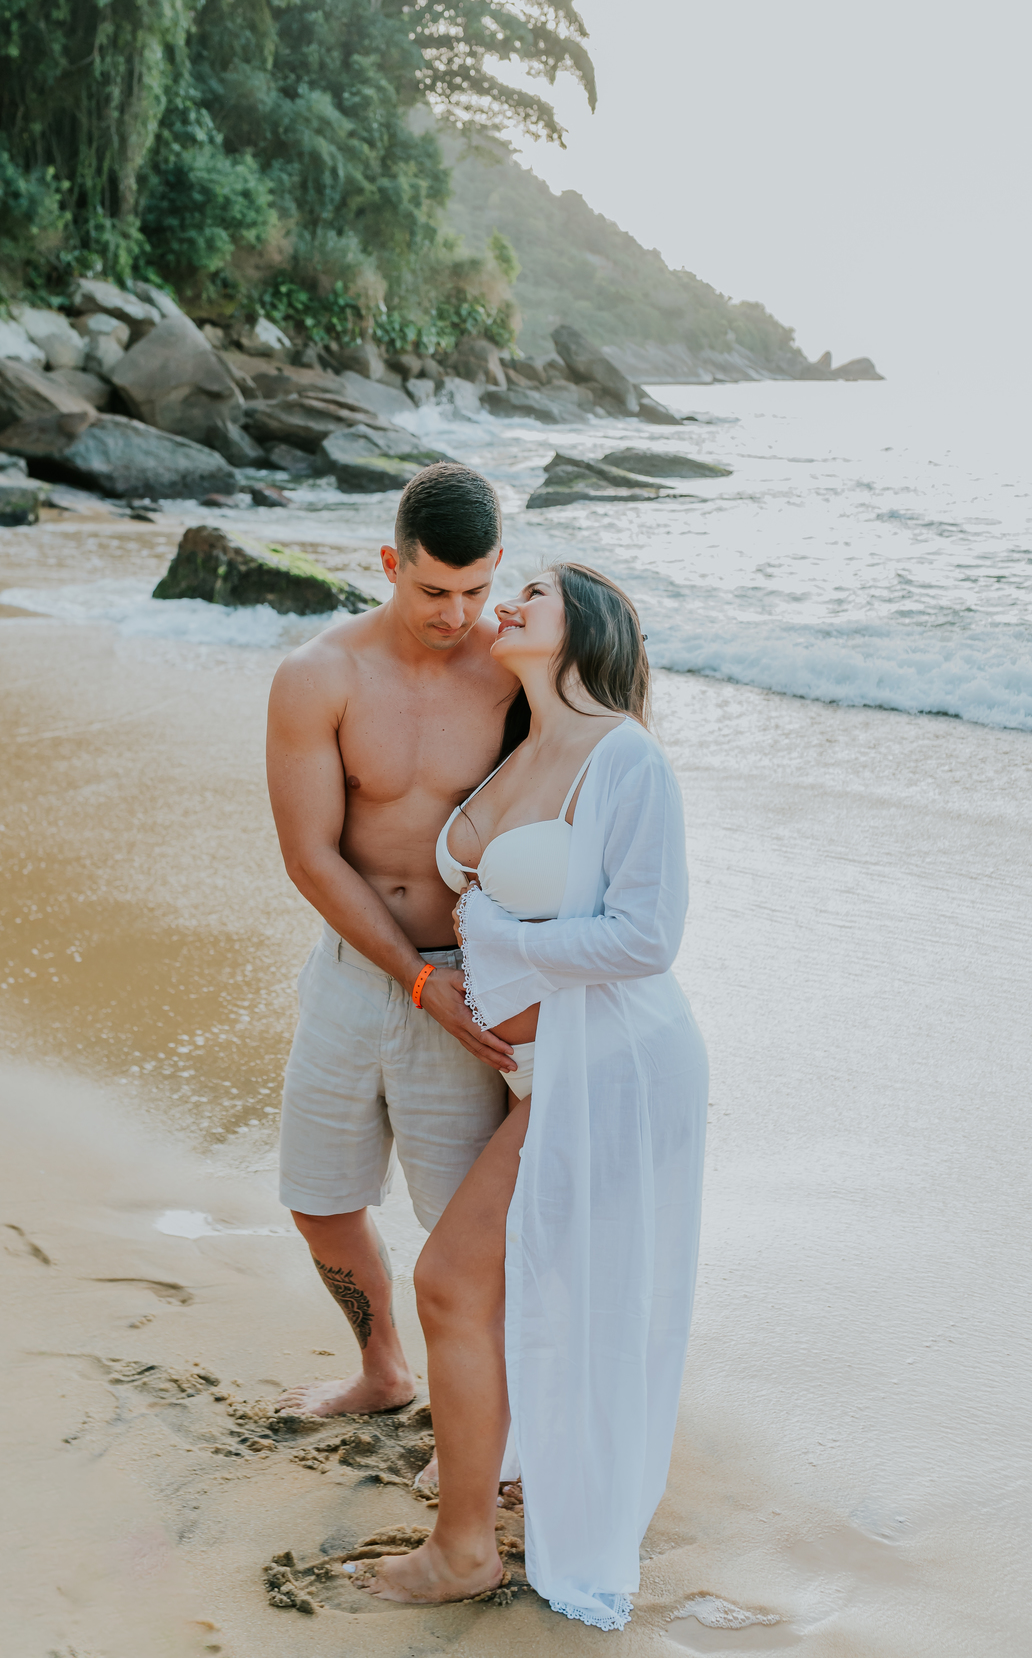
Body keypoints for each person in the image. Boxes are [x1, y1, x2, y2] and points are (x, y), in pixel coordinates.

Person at [347, 563, 709, 1630]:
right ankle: (494, 1473)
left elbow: (648, 937)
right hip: (534, 1076)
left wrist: (502, 942)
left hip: (612, 1071)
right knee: (522, 1288)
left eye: (535, 591)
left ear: (585, 625)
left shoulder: (625, 757)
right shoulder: (520, 748)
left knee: (451, 1282)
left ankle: (463, 1550)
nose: (508, 601)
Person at [265, 462, 522, 1418]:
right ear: (389, 562)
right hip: (356, 971)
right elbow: (310, 856)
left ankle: (488, 1422)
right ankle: (383, 1372)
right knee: (319, 1201)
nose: (457, 614)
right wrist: (414, 978)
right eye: (433, 591)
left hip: (475, 987)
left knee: (467, 1230)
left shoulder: (517, 673)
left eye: (476, 590)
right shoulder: (318, 675)